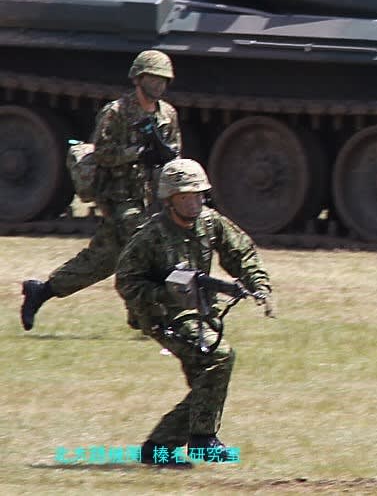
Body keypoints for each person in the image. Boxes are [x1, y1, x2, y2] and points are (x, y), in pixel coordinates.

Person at [115, 158, 275, 467]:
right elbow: (126, 281)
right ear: (169, 200)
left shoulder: (211, 222)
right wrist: (165, 292)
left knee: (206, 380)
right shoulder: (151, 235)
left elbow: (241, 252)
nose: (194, 202)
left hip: (201, 313)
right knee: (220, 358)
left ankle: (167, 447)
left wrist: (259, 286)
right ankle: (191, 441)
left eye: (199, 195)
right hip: (163, 316)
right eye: (186, 197)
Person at [20, 49, 181, 331]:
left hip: (148, 197)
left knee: (102, 260)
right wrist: (137, 153)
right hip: (117, 196)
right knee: (146, 247)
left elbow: (174, 153)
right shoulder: (116, 112)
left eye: (164, 80)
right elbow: (102, 153)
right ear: (138, 78)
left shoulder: (167, 114)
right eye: (154, 79)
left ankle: (41, 291)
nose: (159, 85)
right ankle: (147, 316)